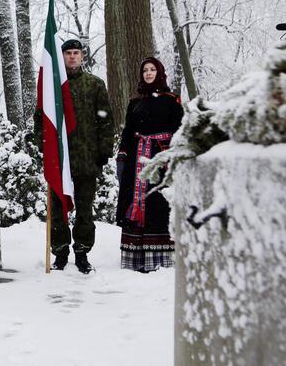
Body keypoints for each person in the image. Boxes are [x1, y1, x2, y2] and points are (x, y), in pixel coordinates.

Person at [34, 39, 114, 273]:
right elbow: (40, 118)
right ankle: (60, 253)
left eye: (76, 53)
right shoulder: (53, 87)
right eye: (68, 53)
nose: (72, 57)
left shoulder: (95, 84)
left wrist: (104, 151)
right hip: (59, 160)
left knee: (84, 210)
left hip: (87, 159)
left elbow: (106, 120)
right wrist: (44, 145)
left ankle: (82, 252)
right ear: (62, 57)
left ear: (82, 56)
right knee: (58, 210)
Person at [116, 57, 184, 273]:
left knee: (158, 202)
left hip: (162, 158)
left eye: (152, 69)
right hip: (138, 160)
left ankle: (162, 256)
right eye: (145, 70)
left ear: (160, 72)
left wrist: (172, 153)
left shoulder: (172, 100)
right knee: (137, 201)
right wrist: (123, 155)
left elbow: (179, 129)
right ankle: (137, 257)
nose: (148, 73)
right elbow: (128, 131)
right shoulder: (135, 102)